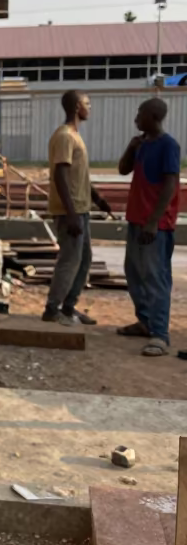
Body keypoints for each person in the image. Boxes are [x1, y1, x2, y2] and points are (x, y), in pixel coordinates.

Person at [116, 97, 180, 356]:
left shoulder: (168, 145)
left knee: (155, 277)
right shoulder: (141, 145)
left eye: (140, 114)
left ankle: (160, 334)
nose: (136, 119)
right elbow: (123, 170)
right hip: (136, 219)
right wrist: (131, 148)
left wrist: (153, 220)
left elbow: (170, 184)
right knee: (134, 273)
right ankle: (145, 321)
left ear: (153, 117)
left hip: (156, 224)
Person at [42, 91, 112, 326]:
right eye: (86, 103)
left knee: (84, 260)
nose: (89, 107)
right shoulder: (64, 137)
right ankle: (52, 309)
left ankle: (68, 307)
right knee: (70, 260)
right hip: (69, 211)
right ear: (76, 107)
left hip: (81, 209)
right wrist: (71, 214)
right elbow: (60, 175)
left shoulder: (75, 136)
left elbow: (77, 176)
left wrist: (97, 199)